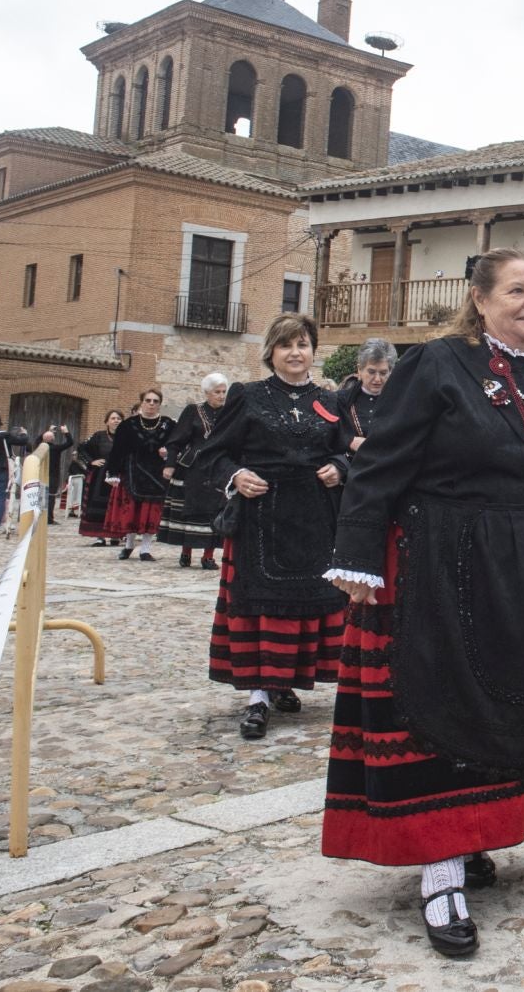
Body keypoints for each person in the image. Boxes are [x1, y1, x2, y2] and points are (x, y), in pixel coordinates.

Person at [319, 248, 524, 960]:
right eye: (518, 290)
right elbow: (381, 462)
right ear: (480, 299)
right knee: (444, 702)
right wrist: (358, 553)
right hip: (444, 561)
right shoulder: (437, 365)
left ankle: (480, 832)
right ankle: (441, 871)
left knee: (510, 701)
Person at [193, 314, 350, 739]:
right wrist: (237, 476)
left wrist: (339, 466)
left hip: (315, 519)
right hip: (261, 519)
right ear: (271, 353)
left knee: (307, 604)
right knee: (263, 608)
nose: (295, 353)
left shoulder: (330, 400)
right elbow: (212, 455)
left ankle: (288, 683)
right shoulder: (248, 395)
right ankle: (259, 697)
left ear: (314, 350)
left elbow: (347, 452)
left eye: (302, 344)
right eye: (286, 346)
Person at [157, 374, 230, 569]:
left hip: (217, 467)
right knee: (189, 511)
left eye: (224, 392)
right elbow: (176, 440)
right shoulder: (193, 411)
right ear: (207, 393)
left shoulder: (229, 413)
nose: (221, 396)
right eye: (217, 392)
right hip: (192, 468)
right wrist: (170, 464)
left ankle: (208, 556)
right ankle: (186, 553)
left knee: (214, 512)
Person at [106, 388, 172, 560]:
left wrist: (169, 452)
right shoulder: (128, 425)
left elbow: (177, 444)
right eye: (148, 400)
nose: (151, 404)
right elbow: (117, 450)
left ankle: (145, 549)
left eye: (155, 401)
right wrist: (113, 472)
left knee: (151, 511)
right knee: (132, 509)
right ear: (142, 402)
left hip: (157, 473)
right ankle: (128, 546)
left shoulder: (168, 424)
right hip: (132, 471)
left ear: (160, 404)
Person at [331, 339, 397, 459]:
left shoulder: (400, 401)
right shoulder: (340, 400)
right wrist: (349, 441)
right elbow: (330, 437)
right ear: (359, 370)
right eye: (371, 372)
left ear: (391, 372)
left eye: (383, 373)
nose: (377, 379)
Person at [77, 410, 124, 545]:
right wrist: (91, 461)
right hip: (100, 477)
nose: (116, 421)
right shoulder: (98, 436)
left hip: (119, 475)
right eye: (113, 418)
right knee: (100, 506)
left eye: (119, 418)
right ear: (107, 421)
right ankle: (100, 536)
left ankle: (115, 535)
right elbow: (82, 448)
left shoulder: (126, 438)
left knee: (117, 505)